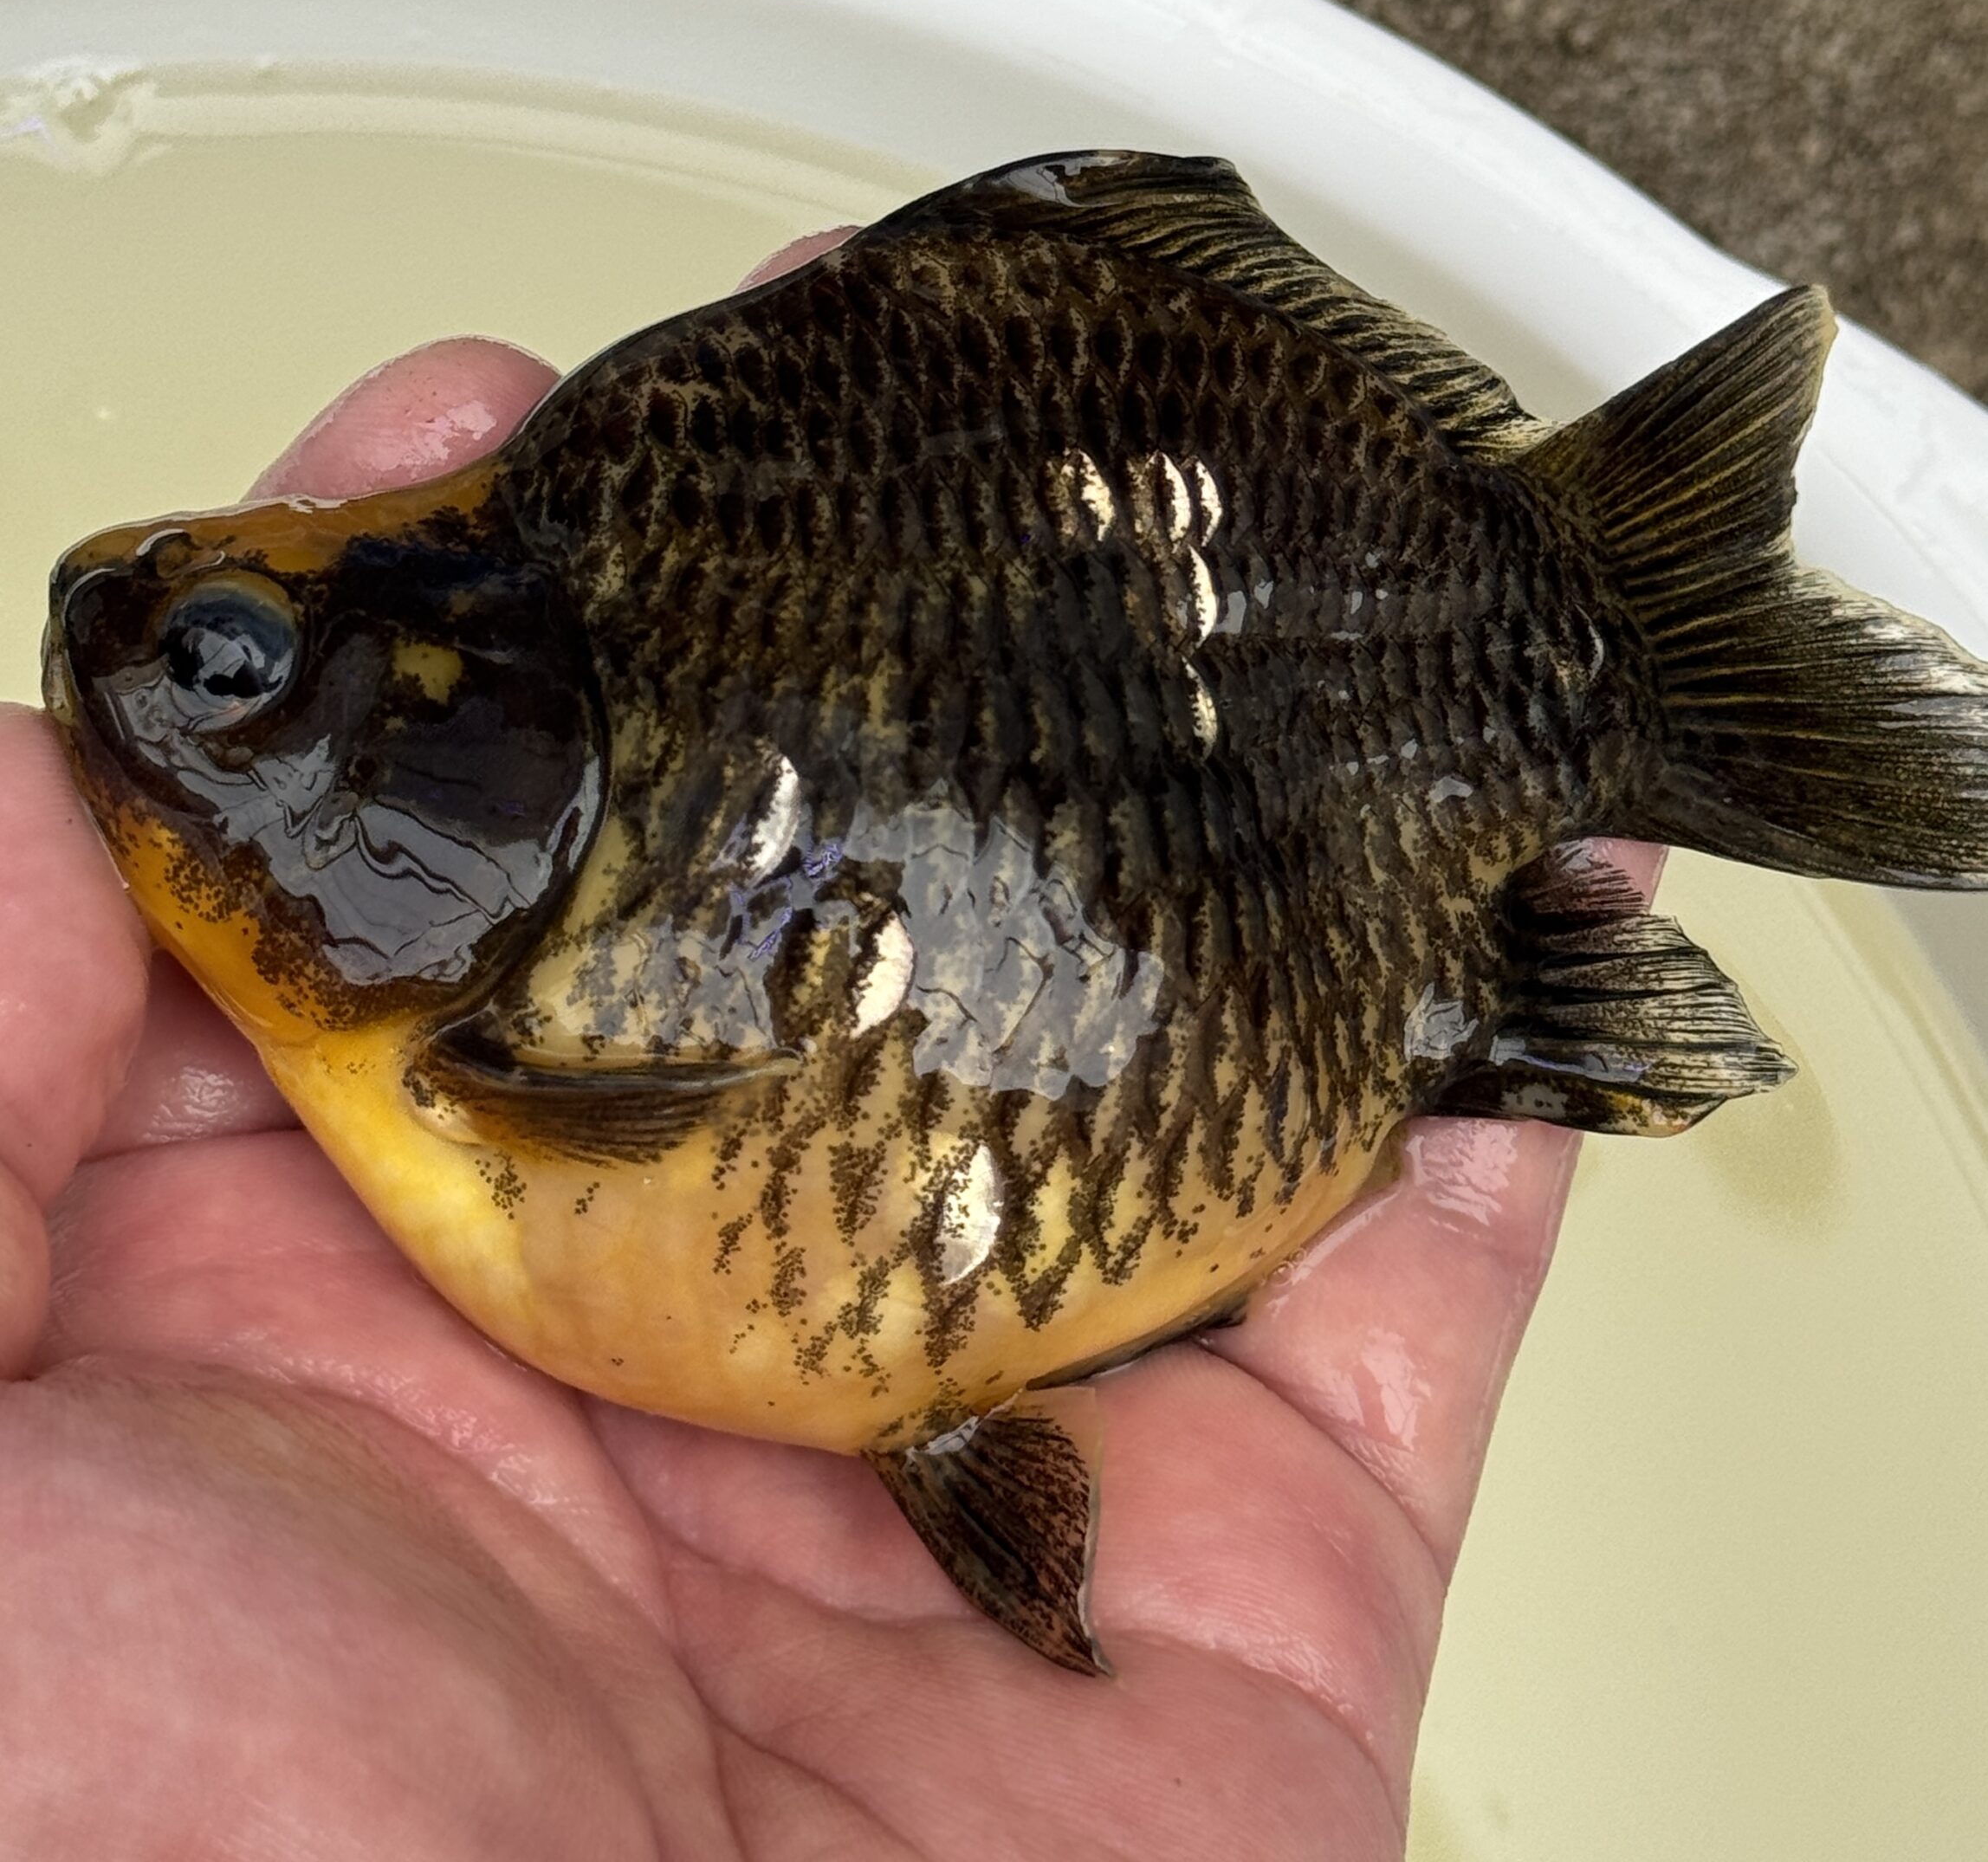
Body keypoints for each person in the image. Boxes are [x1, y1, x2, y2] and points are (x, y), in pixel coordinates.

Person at [0, 240, 1659, 1859]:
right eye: (235, 664)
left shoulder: (482, 1020)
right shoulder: (471, 1025)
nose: (128, 643)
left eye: (236, 664)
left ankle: (1632, 644)